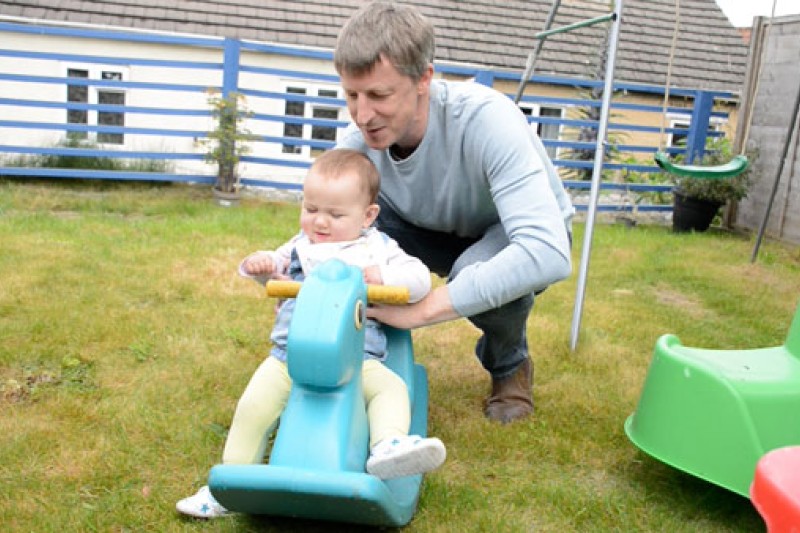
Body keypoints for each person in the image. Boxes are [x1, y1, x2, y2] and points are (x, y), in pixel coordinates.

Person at [334, 2, 574, 424]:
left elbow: (547, 251)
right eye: (352, 94)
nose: (363, 114)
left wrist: (424, 310)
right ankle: (360, 364)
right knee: (350, 240)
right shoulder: (355, 145)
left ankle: (509, 364)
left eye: (379, 95)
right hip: (422, 226)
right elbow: (324, 231)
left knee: (476, 274)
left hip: (509, 230)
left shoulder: (486, 118)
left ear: (424, 77)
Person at [176, 149, 446, 519]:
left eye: (335, 214)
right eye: (311, 208)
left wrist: (383, 278)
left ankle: (388, 445)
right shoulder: (299, 246)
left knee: (391, 388)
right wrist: (261, 266)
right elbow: (274, 270)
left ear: (368, 216)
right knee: (252, 408)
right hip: (289, 358)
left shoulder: (377, 249)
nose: (320, 222)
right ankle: (231, 485)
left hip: (358, 359)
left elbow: (418, 280)